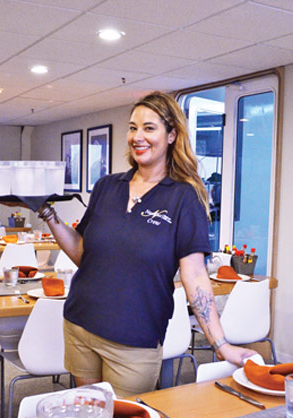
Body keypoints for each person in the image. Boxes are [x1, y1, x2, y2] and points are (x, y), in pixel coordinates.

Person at [37, 91, 256, 397]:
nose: (137, 136)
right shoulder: (107, 186)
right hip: (80, 325)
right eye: (132, 127)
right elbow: (83, 254)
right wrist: (46, 211)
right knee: (86, 413)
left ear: (172, 135)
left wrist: (219, 344)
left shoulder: (184, 197)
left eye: (149, 128)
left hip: (134, 338)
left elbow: (194, 275)